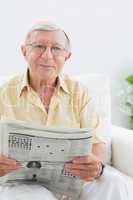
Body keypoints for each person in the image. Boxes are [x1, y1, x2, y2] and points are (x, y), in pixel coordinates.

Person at [0, 22, 129, 200]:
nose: (47, 55)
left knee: (114, 182)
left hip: (73, 179)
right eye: (39, 46)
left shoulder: (79, 92)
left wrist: (96, 164)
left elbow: (98, 145)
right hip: (23, 184)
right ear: (24, 51)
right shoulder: (4, 94)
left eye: (56, 48)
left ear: (66, 56)